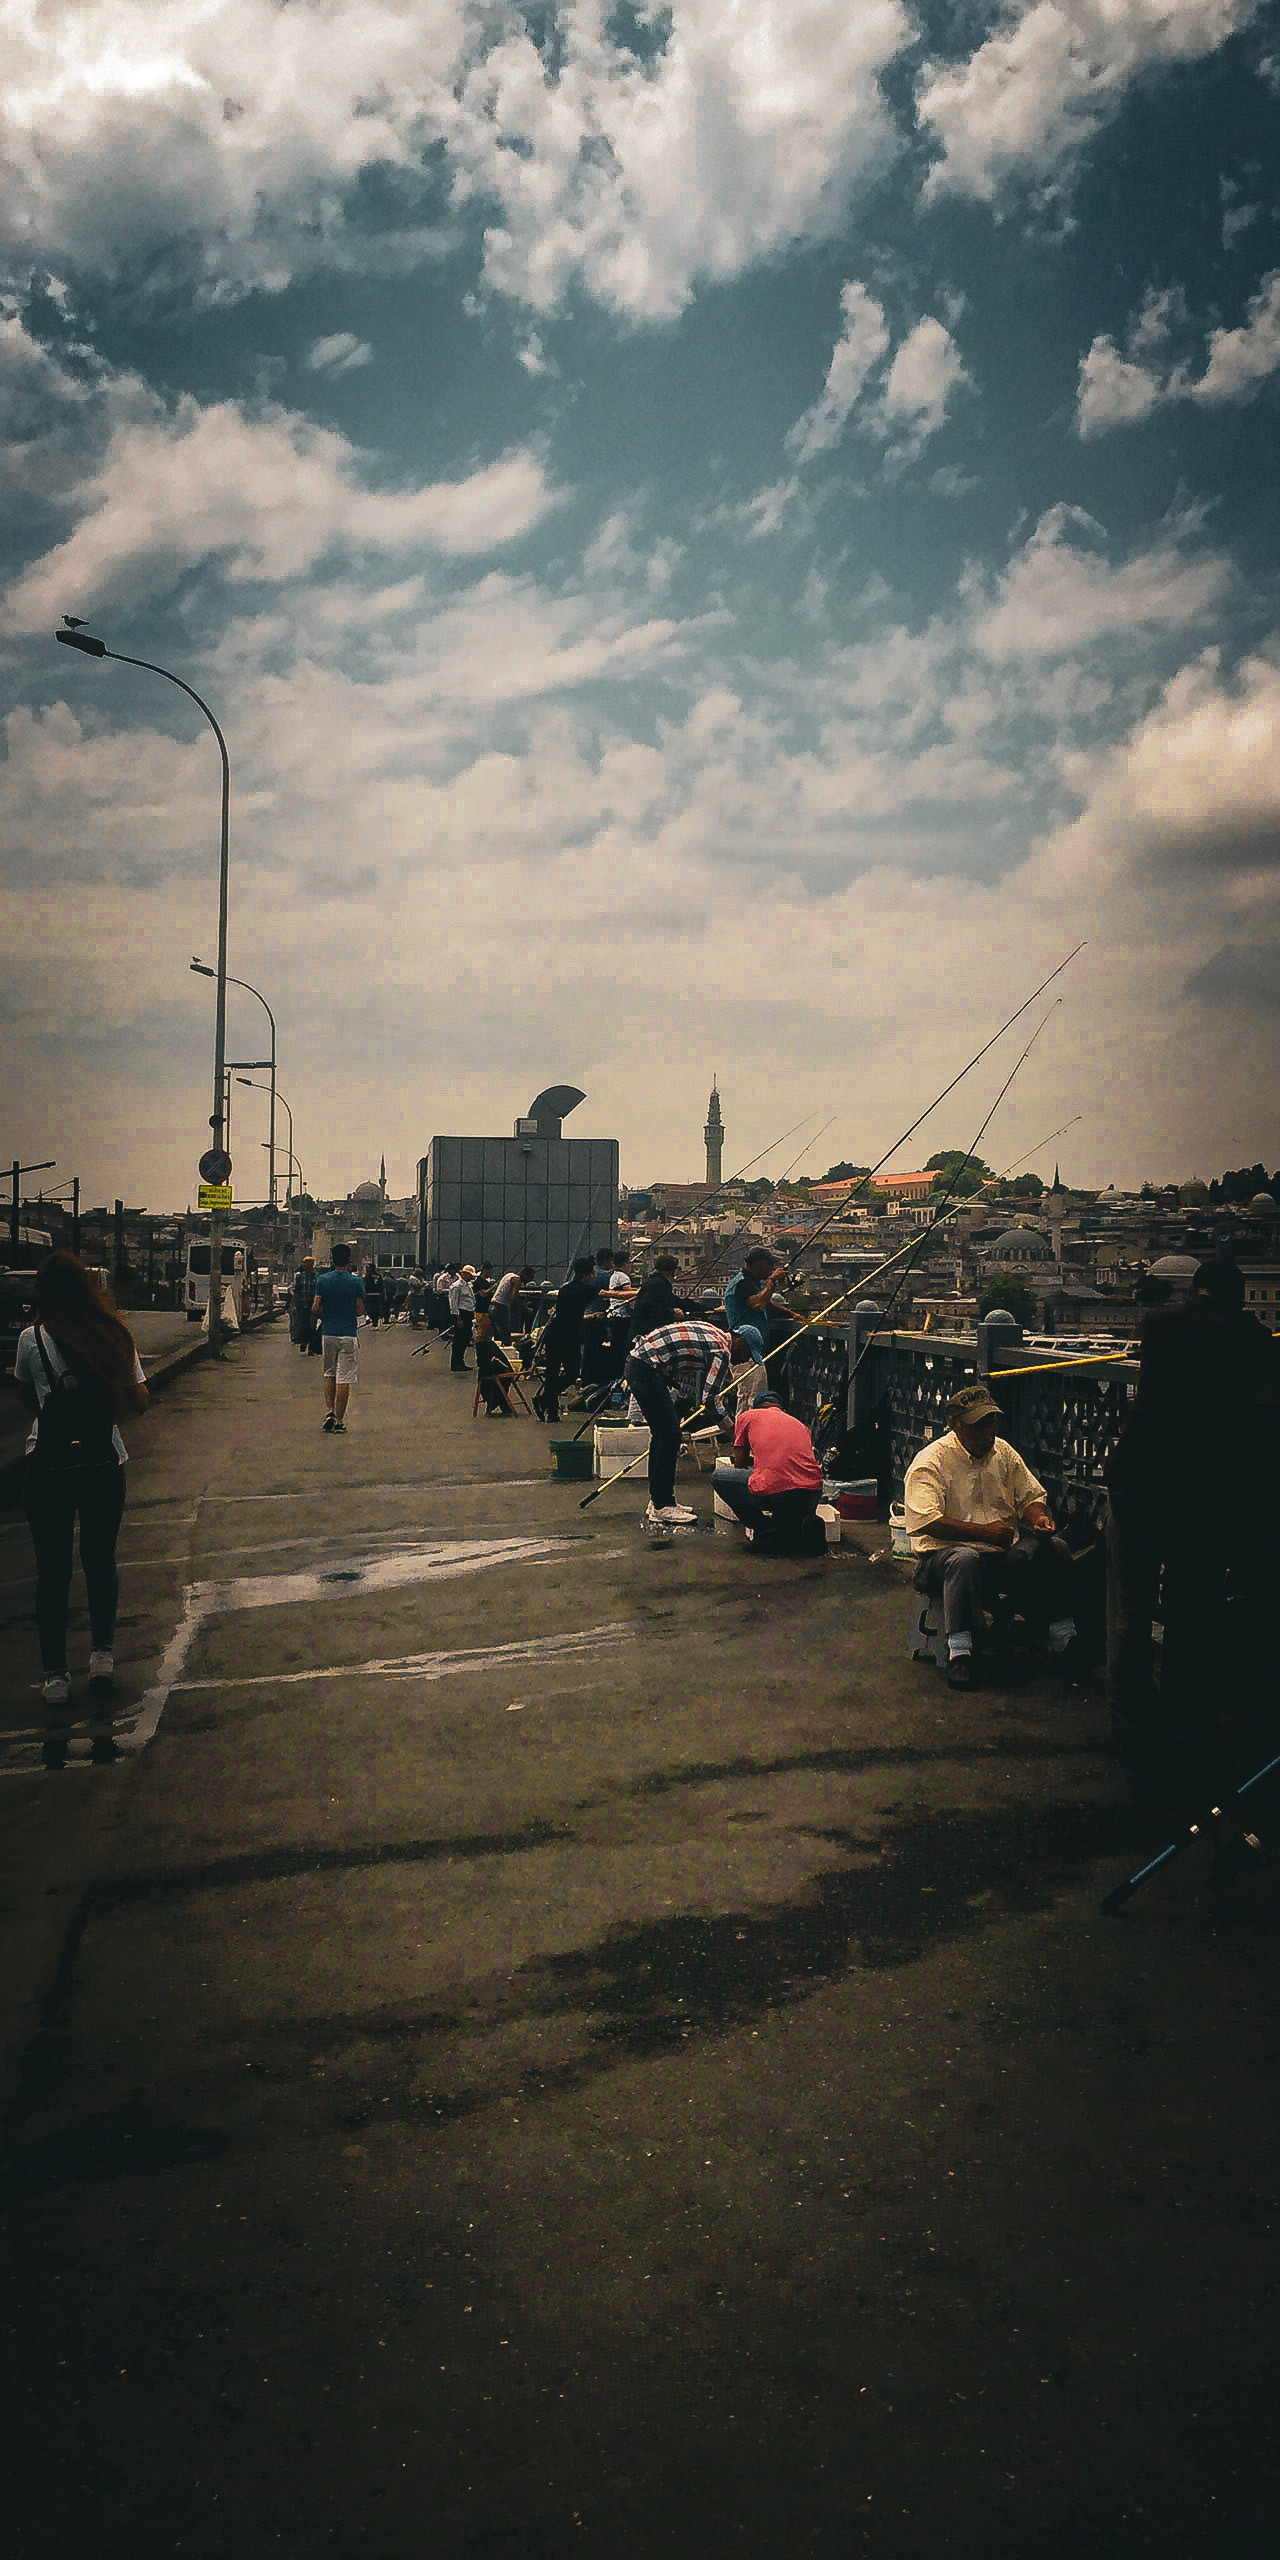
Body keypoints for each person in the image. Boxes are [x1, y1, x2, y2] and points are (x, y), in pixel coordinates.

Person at [1104, 1259, 1279, 1782]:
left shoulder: (1159, 1325)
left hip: (1137, 1482)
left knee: (1129, 1610)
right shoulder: (1251, 1337)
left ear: (1196, 1290)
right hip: (1203, 1495)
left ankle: (1131, 1730)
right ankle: (1185, 1721)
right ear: (1240, 1296)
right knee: (1190, 1609)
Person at [14, 1252, 149, 1712]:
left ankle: (54, 1675)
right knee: (99, 1561)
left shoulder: (31, 1339)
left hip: (48, 1465)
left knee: (51, 1572)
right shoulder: (114, 1335)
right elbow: (141, 1401)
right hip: (102, 1461)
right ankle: (102, 1657)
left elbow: (28, 1396)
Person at [904, 1383, 1078, 1691]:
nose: (986, 1432)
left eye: (990, 1423)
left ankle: (1064, 1638)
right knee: (964, 1559)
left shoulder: (1004, 1453)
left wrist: (1038, 1519)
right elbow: (928, 1520)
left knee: (1056, 1548)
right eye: (977, 1425)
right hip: (941, 1559)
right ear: (955, 1425)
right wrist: (982, 1532)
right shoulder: (931, 1461)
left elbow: (1031, 1495)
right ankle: (960, 1652)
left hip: (998, 1554)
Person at [624, 1316, 748, 1527]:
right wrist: (734, 1433)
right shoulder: (722, 1351)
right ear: (740, 1341)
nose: (745, 1360)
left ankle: (659, 1501)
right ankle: (663, 1505)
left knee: (662, 1435)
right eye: (747, 1354)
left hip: (640, 1363)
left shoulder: (715, 1332)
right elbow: (710, 1401)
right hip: (646, 1369)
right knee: (670, 1435)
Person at [714, 1390, 823, 1548]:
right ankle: (799, 1524)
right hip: (812, 1493)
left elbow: (739, 1465)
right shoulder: (799, 1424)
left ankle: (766, 1530)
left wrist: (755, 1460)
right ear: (781, 1409)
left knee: (720, 1477)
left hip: (777, 1491)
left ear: (756, 1406)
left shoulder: (748, 1416)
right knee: (780, 1481)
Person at [535, 1257, 601, 1422]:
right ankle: (545, 1400)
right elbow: (607, 1293)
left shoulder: (566, 1288)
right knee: (572, 1372)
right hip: (567, 1337)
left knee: (552, 1373)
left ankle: (551, 1410)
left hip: (555, 1334)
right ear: (586, 1274)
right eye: (592, 1272)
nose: (594, 1275)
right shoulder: (584, 1290)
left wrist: (591, 1316)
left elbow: (570, 1314)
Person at [312, 1243, 365, 1432]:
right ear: (349, 1260)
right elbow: (360, 1310)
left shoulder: (323, 1280)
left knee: (329, 1373)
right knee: (345, 1378)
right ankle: (340, 1421)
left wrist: (326, 1317)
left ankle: (329, 1412)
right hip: (348, 1334)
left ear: (332, 1259)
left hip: (328, 1333)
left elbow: (315, 1307)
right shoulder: (357, 1282)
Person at [724, 1250, 792, 1347]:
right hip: (745, 1343)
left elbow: (767, 1305)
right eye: (770, 1263)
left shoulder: (752, 1282)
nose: (772, 1267)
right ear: (760, 1263)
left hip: (756, 1342)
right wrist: (772, 1280)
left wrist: (790, 1313)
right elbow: (758, 1304)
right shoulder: (743, 1282)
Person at [629, 1254, 700, 1337]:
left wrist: (709, 1309)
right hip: (644, 1334)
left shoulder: (657, 1282)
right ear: (672, 1271)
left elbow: (678, 1302)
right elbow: (648, 1306)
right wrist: (671, 1313)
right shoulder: (658, 1284)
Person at [473, 1310, 518, 1416]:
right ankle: (502, 1403)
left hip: (489, 1370)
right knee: (505, 1378)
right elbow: (487, 1362)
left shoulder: (484, 1343)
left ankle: (501, 1403)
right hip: (490, 1372)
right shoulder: (485, 1344)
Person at [491, 1265, 535, 1343]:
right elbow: (512, 1297)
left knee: (498, 1336)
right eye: (530, 1278)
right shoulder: (517, 1280)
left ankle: (495, 1354)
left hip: (493, 1306)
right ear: (525, 1275)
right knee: (506, 1337)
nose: (530, 1281)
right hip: (500, 1307)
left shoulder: (509, 1275)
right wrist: (525, 1307)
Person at [449, 1265, 477, 1372]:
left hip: (468, 1313)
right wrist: (458, 1318)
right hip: (461, 1314)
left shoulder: (467, 1285)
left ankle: (460, 1361)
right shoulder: (456, 1286)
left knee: (466, 1338)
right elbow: (453, 1303)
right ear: (464, 1274)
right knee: (459, 1340)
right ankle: (455, 1363)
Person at [292, 1255, 318, 1353]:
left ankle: (311, 1346)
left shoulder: (316, 1277)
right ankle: (304, 1341)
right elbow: (297, 1291)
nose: (305, 1265)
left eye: (307, 1263)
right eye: (304, 1263)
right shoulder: (299, 1277)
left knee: (312, 1325)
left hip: (313, 1305)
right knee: (303, 1324)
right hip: (302, 1304)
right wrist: (294, 1304)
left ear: (311, 1265)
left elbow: (318, 1292)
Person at [362, 1261, 386, 1329]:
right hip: (377, 1295)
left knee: (370, 1309)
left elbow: (364, 1285)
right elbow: (381, 1286)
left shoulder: (367, 1276)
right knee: (376, 1309)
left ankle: (374, 1322)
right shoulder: (379, 1276)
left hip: (369, 1295)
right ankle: (375, 1323)